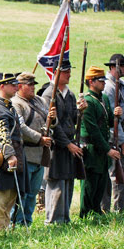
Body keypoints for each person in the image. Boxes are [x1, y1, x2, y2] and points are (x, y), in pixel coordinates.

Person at [41, 62, 85, 224]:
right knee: (56, 184)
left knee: (67, 182)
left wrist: (81, 111)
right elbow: (54, 125)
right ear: (56, 72)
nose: (69, 75)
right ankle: (53, 221)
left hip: (69, 145)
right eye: (66, 72)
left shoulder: (70, 94)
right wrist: (68, 144)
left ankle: (64, 219)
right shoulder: (48, 95)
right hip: (57, 146)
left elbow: (72, 120)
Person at [11, 72, 51, 227]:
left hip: (40, 154)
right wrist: (39, 138)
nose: (33, 87)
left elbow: (50, 123)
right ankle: (17, 222)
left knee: (33, 193)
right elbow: (20, 127)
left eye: (34, 84)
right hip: (26, 153)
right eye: (30, 84)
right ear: (20, 86)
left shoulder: (40, 101)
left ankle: (27, 221)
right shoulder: (16, 103)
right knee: (23, 193)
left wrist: (52, 121)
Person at [0, 73, 28, 233]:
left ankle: (3, 232)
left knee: (9, 199)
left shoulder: (7, 106)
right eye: (12, 84)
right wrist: (10, 155)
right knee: (1, 201)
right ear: (2, 86)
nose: (16, 87)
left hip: (14, 158)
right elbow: (2, 134)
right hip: (5, 160)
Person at [80, 66, 121, 217]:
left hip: (102, 151)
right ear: (91, 82)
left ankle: (96, 214)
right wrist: (108, 150)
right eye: (100, 80)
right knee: (90, 187)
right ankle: (86, 215)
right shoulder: (88, 101)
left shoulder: (102, 99)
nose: (104, 83)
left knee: (101, 184)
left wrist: (116, 115)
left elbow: (108, 122)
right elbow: (93, 131)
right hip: (92, 150)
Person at [103, 53, 124, 212]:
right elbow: (112, 119)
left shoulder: (120, 85)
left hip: (121, 134)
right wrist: (121, 141)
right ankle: (115, 210)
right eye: (121, 65)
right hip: (114, 138)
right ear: (113, 67)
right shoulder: (108, 87)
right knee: (114, 176)